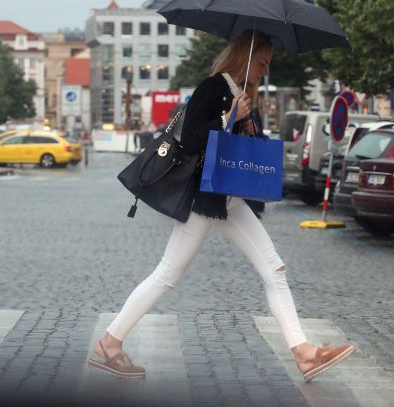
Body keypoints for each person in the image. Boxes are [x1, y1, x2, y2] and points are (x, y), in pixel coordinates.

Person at [88, 30, 354, 381]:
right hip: (206, 197)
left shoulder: (240, 94)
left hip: (229, 197)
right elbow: (193, 138)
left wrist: (244, 121)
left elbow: (238, 146)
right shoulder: (213, 88)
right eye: (261, 63)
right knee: (168, 273)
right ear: (245, 57)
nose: (263, 71)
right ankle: (109, 343)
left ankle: (304, 353)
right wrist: (229, 117)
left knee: (275, 269)